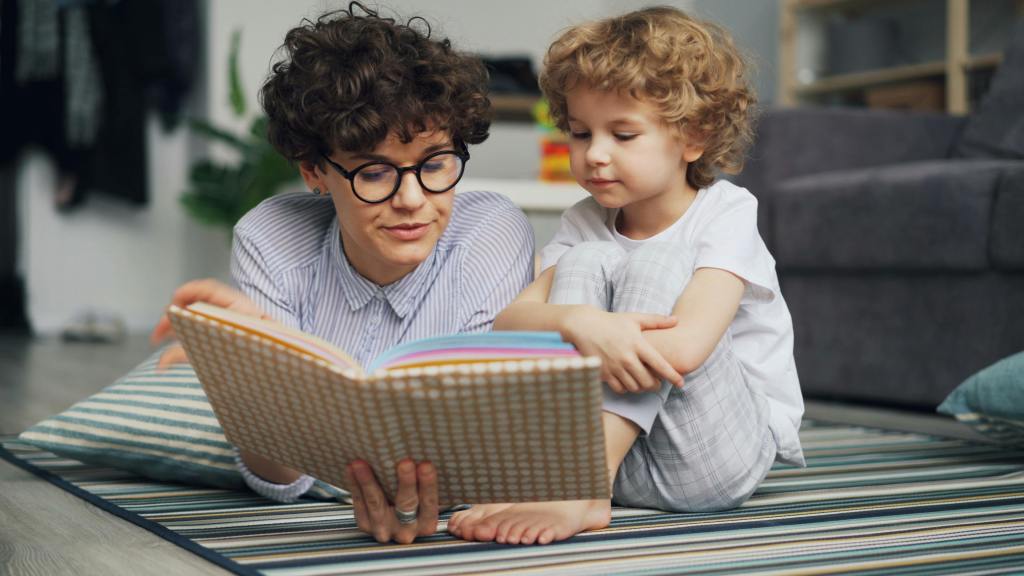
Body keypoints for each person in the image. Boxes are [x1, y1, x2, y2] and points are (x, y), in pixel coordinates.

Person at [150, 2, 535, 544]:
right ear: (314, 170)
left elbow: (475, 439)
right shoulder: (271, 237)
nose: (412, 200)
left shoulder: (490, 230)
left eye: (435, 164)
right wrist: (249, 379)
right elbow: (281, 477)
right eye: (374, 172)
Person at [446, 6, 806, 545]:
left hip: (714, 458)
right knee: (584, 262)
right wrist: (584, 323)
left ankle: (577, 484)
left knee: (652, 261)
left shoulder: (725, 213)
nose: (595, 155)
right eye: (579, 133)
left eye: (623, 134)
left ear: (693, 137)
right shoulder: (584, 221)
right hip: (629, 468)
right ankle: (570, 478)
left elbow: (681, 350)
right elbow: (511, 323)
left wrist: (591, 330)